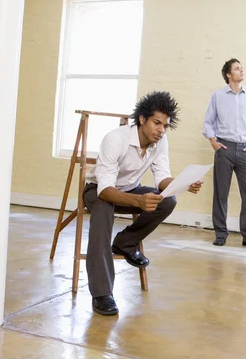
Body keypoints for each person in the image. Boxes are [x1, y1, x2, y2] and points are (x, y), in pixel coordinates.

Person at [84, 91, 203, 316]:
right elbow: (105, 189)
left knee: (167, 201)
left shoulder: (160, 142)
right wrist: (138, 200)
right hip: (99, 190)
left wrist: (183, 183)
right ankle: (102, 292)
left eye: (165, 126)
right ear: (142, 119)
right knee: (102, 211)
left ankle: (125, 243)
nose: (161, 130)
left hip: (130, 189)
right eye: (157, 123)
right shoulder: (115, 139)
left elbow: (161, 180)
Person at [203, 58, 246, 250]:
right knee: (221, 193)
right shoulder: (218, 96)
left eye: (241, 68)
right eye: (237, 68)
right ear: (228, 74)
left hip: (244, 150)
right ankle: (221, 233)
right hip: (225, 149)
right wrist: (214, 142)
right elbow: (208, 121)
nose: (241, 70)